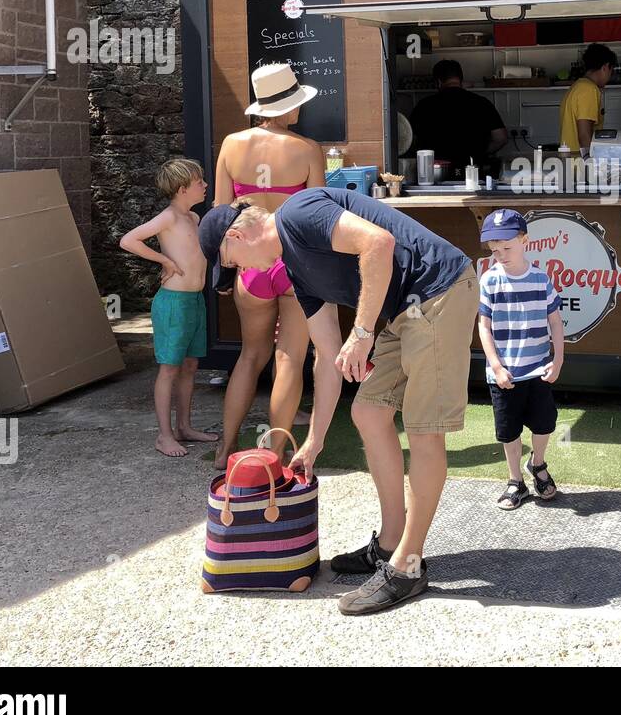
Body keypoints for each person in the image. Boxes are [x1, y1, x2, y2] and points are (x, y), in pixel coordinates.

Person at [197, 187, 478, 615]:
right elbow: (328, 356)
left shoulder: (297, 213)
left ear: (237, 235)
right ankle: (390, 543)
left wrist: (362, 334)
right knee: (367, 412)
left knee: (424, 432)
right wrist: (314, 440)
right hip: (403, 311)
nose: (240, 272)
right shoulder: (297, 271)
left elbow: (377, 244)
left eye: (231, 263)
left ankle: (408, 566)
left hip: (439, 291)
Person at [212, 62, 326, 470]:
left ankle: (224, 449)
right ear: (289, 107)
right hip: (294, 264)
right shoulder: (307, 149)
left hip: (249, 266)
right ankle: (275, 456)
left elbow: (220, 215)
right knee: (289, 359)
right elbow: (317, 216)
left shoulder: (231, 144)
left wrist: (223, 270)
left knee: (249, 356)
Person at [119, 158, 219, 458]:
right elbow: (128, 240)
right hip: (174, 304)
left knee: (190, 366)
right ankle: (164, 436)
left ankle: (184, 427)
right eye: (199, 181)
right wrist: (164, 260)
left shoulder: (194, 218)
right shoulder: (169, 217)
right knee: (169, 368)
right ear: (182, 187)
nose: (204, 185)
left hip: (194, 301)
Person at [476, 209, 565, 510]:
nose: (500, 254)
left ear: (524, 240)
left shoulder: (541, 279)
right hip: (504, 376)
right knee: (508, 430)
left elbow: (555, 322)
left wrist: (559, 359)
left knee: (545, 424)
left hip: (538, 369)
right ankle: (515, 481)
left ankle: (537, 464)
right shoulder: (489, 281)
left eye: (507, 247)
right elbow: (483, 326)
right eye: (494, 249)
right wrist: (497, 366)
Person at [408, 59, 508, 174]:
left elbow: (410, 142)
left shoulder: (424, 106)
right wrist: (481, 152)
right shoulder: (482, 103)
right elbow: (501, 138)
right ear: (461, 80)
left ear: (439, 82)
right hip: (472, 172)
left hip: (435, 173)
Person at [558, 42, 616, 152]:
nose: (610, 77)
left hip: (570, 163)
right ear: (605, 67)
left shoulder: (577, 86)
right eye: (611, 71)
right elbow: (584, 136)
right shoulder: (589, 90)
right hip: (580, 164)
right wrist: (593, 165)